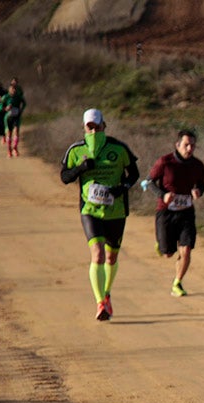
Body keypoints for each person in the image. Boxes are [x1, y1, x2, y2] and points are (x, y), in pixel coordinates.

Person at [60, 108, 139, 321]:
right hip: (89, 210)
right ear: (84, 128)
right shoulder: (76, 150)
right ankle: (100, 303)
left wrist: (122, 187)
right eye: (90, 127)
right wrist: (81, 168)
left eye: (97, 126)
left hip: (116, 210)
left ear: (104, 125)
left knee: (111, 257)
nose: (94, 131)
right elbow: (65, 177)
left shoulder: (119, 148)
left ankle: (106, 292)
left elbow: (134, 173)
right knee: (98, 254)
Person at [145, 129, 204, 297]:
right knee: (168, 253)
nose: (189, 149)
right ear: (177, 145)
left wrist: (198, 191)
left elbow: (201, 184)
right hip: (166, 212)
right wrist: (162, 195)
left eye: (192, 146)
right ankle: (162, 244)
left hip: (186, 212)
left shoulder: (198, 165)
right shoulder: (165, 162)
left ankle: (177, 283)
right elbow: (149, 182)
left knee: (186, 249)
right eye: (186, 145)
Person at [0, 82, 25, 156]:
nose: (13, 91)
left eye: (14, 89)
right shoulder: (5, 97)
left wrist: (21, 110)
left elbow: (24, 103)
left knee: (16, 132)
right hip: (8, 118)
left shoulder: (18, 97)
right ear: (9, 90)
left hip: (16, 117)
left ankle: (15, 148)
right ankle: (9, 150)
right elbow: (0, 108)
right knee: (9, 134)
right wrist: (5, 108)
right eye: (12, 89)